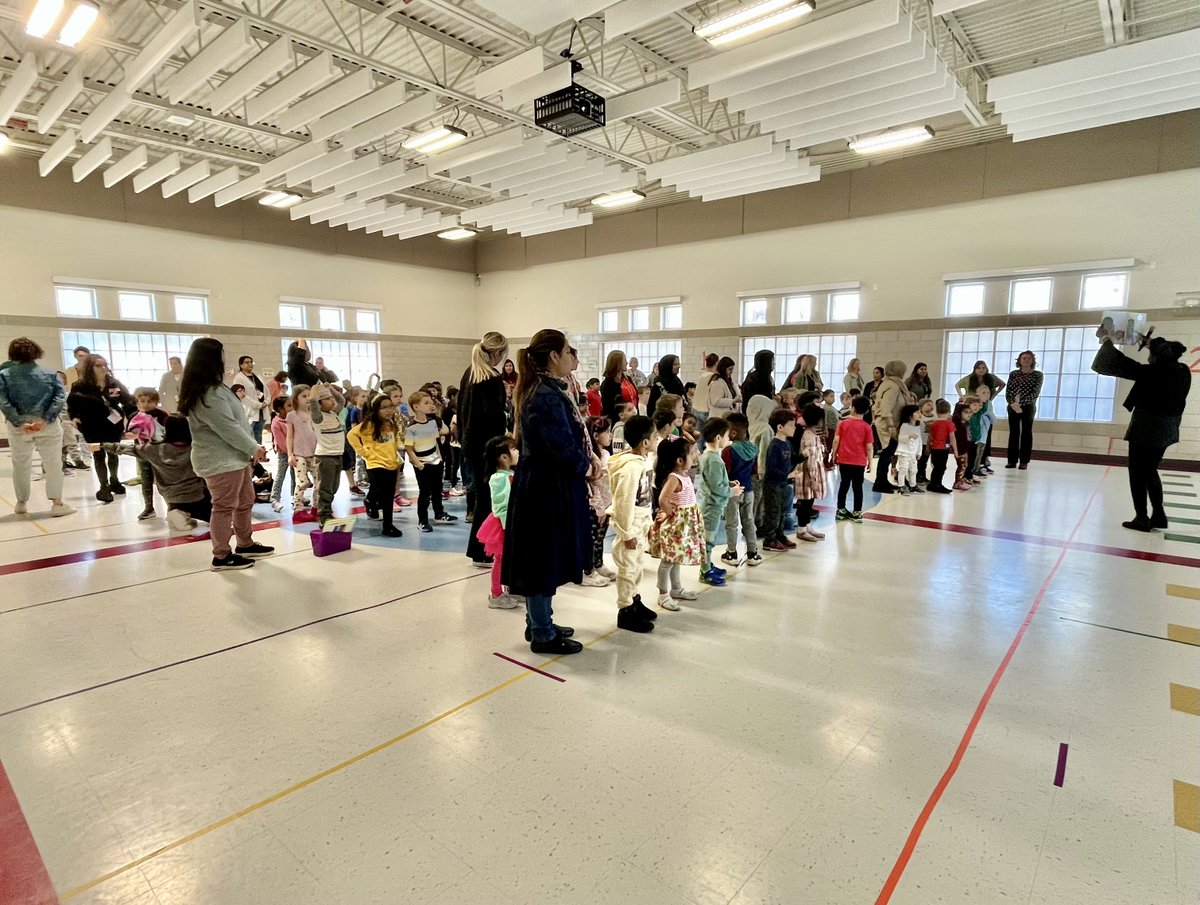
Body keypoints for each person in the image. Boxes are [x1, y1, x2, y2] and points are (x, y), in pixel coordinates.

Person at [502, 329, 588, 655]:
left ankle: (540, 620)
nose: (571, 357)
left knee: (543, 557)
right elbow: (561, 447)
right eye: (567, 351)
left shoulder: (545, 391)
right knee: (540, 560)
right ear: (554, 355)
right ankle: (542, 632)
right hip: (544, 489)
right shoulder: (545, 396)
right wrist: (587, 465)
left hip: (543, 485)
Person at [177, 338, 273, 571]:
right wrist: (253, 447)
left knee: (245, 501)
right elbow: (227, 427)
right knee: (223, 507)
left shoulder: (216, 388)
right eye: (221, 353)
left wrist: (250, 448)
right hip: (220, 461)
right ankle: (221, 555)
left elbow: (237, 424)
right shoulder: (207, 394)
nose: (224, 358)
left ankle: (245, 543)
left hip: (235, 458)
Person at [1092, 335, 1192, 532]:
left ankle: (1141, 517)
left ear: (1156, 356)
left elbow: (1114, 364)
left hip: (1146, 427)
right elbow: (1162, 356)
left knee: (1137, 473)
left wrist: (1106, 341)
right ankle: (1158, 514)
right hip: (1168, 427)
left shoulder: (1151, 372)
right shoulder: (1182, 371)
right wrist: (1150, 345)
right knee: (1151, 470)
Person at [0, 338, 74, 518]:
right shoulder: (50, 374)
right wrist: (46, 419)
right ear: (36, 352)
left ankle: (21, 503)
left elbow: (3, 401)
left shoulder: (4, 375)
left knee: (20, 464)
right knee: (53, 464)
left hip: (19, 427)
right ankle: (57, 503)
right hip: (47, 425)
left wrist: (18, 421)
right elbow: (59, 398)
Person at [459, 332, 509, 565]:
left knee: (483, 498)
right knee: (489, 500)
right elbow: (494, 417)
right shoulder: (491, 379)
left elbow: (462, 413)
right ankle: (481, 550)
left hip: (471, 444)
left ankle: (479, 549)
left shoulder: (470, 374)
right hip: (487, 445)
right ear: (498, 353)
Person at [115, 415, 212, 532]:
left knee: (181, 506)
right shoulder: (195, 447)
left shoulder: (154, 449)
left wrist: (101, 445)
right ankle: (183, 514)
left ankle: (176, 512)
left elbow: (129, 449)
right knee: (216, 514)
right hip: (196, 494)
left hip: (170, 495)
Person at [649, 436, 710, 600]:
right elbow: (662, 499)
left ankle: (676, 588)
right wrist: (670, 513)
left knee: (676, 558)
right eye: (690, 454)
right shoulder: (674, 478)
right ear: (680, 460)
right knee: (668, 561)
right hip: (676, 527)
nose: (694, 457)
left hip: (683, 526)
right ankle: (663, 594)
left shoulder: (683, 475)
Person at [67, 354, 134, 502]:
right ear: (90, 368)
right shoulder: (80, 386)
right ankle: (104, 486)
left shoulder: (113, 383)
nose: (103, 368)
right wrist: (74, 418)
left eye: (104, 365)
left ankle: (114, 480)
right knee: (98, 455)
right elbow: (72, 404)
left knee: (113, 453)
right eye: (98, 365)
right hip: (91, 426)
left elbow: (128, 401)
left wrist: (134, 420)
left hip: (113, 425)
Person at [475, 435, 522, 609]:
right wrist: (509, 528)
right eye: (514, 449)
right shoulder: (499, 478)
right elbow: (501, 506)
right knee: (501, 560)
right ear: (503, 457)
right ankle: (496, 593)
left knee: (510, 559)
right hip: (503, 526)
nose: (517, 452)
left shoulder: (510, 474)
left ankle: (511, 588)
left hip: (511, 523)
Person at [347, 393, 403, 538]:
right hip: (375, 463)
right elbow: (351, 435)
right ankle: (387, 525)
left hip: (391, 462)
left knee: (387, 494)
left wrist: (397, 448)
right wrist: (363, 452)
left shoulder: (391, 423)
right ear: (375, 410)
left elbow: (394, 439)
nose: (389, 410)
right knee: (383, 493)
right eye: (384, 408)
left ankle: (370, 501)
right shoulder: (369, 424)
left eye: (390, 406)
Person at [406, 390, 457, 533]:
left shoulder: (433, 422)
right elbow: (409, 449)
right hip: (422, 462)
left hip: (435, 460)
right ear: (416, 407)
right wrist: (418, 464)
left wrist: (439, 457)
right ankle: (423, 520)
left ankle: (439, 513)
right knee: (424, 493)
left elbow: (435, 442)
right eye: (426, 403)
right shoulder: (411, 427)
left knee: (437, 489)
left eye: (431, 402)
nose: (431, 405)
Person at [698, 416, 739, 584]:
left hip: (712, 505)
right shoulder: (713, 459)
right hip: (711, 507)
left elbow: (714, 480)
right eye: (727, 436)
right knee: (707, 540)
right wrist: (732, 491)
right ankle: (705, 571)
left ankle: (707, 565)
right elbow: (716, 488)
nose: (728, 439)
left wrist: (728, 483)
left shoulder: (711, 456)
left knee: (709, 539)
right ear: (718, 438)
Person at [719, 413, 761, 568]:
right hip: (749, 490)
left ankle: (731, 552)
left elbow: (725, 473)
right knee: (749, 521)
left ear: (733, 432)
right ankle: (753, 553)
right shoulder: (753, 448)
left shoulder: (728, 450)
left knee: (731, 523)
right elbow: (754, 472)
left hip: (733, 491)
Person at [871, 360, 913, 494]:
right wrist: (892, 427)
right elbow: (885, 409)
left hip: (892, 423)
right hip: (888, 425)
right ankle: (880, 482)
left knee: (888, 453)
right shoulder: (892, 386)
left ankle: (883, 481)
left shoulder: (893, 384)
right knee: (887, 453)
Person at [127, 388, 170, 520]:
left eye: (149, 401)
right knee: (146, 480)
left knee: (164, 482)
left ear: (156, 402)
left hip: (159, 453)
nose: (145, 404)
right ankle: (149, 507)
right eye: (142, 401)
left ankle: (172, 507)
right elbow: (131, 433)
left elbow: (167, 432)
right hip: (143, 452)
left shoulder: (163, 415)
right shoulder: (135, 416)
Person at [583, 417, 616, 586]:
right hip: (595, 504)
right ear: (595, 435)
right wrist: (599, 507)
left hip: (606, 501)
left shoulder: (606, 454)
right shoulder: (590, 457)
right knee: (592, 537)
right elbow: (593, 484)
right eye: (607, 432)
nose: (610, 436)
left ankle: (598, 563)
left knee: (601, 536)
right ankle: (587, 570)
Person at [956, 360, 1005, 470]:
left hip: (985, 406)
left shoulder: (991, 378)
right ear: (975, 369)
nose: (981, 370)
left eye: (983, 367)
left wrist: (993, 396)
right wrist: (963, 397)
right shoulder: (969, 378)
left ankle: (983, 459)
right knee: (973, 434)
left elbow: (1002, 384)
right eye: (979, 368)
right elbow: (957, 385)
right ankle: (971, 462)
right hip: (974, 407)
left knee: (985, 434)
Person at [761, 409, 798, 552]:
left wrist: (802, 457)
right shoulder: (774, 446)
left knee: (783, 511)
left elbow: (791, 460)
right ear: (780, 427)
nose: (794, 428)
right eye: (791, 425)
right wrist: (787, 475)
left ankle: (779, 535)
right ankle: (769, 539)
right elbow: (771, 468)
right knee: (773, 512)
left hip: (784, 485)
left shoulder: (788, 444)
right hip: (773, 485)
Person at [831, 397, 873, 521]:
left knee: (844, 484)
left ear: (852, 408)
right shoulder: (866, 427)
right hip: (859, 461)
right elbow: (869, 446)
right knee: (858, 487)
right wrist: (870, 462)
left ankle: (841, 509)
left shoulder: (843, 423)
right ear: (866, 411)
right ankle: (857, 512)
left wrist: (834, 454)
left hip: (844, 460)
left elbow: (836, 440)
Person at [310, 384, 347, 525]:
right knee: (325, 488)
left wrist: (331, 388)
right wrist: (315, 390)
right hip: (325, 456)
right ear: (320, 403)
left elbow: (342, 400)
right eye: (327, 399)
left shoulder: (333, 414)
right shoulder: (318, 417)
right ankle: (324, 515)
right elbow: (313, 401)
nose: (332, 401)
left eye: (332, 398)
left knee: (334, 486)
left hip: (338, 455)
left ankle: (328, 510)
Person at [792, 403, 828, 541]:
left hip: (810, 474)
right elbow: (811, 460)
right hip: (808, 474)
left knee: (809, 501)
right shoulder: (809, 436)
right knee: (805, 502)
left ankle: (807, 526)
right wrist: (813, 479)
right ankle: (801, 529)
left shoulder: (812, 434)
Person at [1005, 351, 1043, 470]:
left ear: (1033, 361)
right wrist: (1012, 403)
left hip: (1028, 407)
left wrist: (1020, 404)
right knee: (1014, 433)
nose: (1026, 360)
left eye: (1029, 358)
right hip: (1012, 406)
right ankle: (1012, 460)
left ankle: (1024, 461)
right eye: (1024, 358)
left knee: (1026, 433)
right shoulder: (1014, 374)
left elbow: (1035, 392)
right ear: (1019, 360)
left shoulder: (1037, 375)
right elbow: (1009, 390)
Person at [286, 384, 318, 519]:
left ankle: (316, 506)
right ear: (296, 398)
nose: (307, 399)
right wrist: (290, 454)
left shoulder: (315, 414)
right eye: (304, 396)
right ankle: (298, 509)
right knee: (303, 481)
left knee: (318, 481)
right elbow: (290, 436)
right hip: (299, 453)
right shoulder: (292, 415)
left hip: (315, 452)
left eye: (309, 396)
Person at [231, 356, 268, 444]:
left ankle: (259, 454)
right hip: (250, 410)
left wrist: (266, 402)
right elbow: (241, 395)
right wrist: (258, 405)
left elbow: (266, 390)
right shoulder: (239, 378)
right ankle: (251, 454)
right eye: (247, 362)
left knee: (258, 433)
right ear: (241, 365)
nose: (250, 364)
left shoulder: (257, 375)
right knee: (249, 433)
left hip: (262, 410)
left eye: (251, 362)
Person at [927, 398, 957, 493]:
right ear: (949, 412)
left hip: (934, 448)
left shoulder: (934, 424)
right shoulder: (949, 424)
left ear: (937, 411)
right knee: (941, 467)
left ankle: (933, 483)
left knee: (936, 467)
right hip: (943, 448)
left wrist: (927, 447)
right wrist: (955, 450)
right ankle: (937, 484)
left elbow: (930, 437)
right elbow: (952, 438)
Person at [599, 350, 640, 422]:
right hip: (620, 421)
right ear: (617, 363)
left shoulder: (628, 379)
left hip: (633, 418)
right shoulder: (608, 384)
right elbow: (609, 409)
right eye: (624, 360)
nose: (627, 363)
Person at [268, 396, 293, 512]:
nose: (292, 408)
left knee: (296, 475)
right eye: (289, 406)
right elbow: (281, 442)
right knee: (280, 475)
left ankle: (296, 496)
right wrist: (290, 452)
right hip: (284, 453)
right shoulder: (276, 422)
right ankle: (274, 499)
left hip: (295, 452)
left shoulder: (292, 418)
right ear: (280, 409)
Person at [892, 404, 923, 495]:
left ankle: (913, 485)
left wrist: (919, 452)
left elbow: (919, 440)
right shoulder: (904, 426)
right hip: (904, 452)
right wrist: (908, 436)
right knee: (903, 469)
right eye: (917, 412)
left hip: (913, 453)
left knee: (913, 470)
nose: (919, 414)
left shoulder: (917, 427)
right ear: (910, 415)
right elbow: (900, 438)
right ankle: (901, 485)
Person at [969, 386, 996, 480]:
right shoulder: (977, 407)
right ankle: (973, 470)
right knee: (975, 454)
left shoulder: (988, 405)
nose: (987, 395)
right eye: (983, 393)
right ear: (977, 395)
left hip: (984, 434)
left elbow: (993, 420)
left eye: (988, 393)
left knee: (980, 453)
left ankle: (977, 468)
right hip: (976, 435)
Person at [952, 400, 974, 492]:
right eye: (966, 413)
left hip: (966, 448)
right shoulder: (958, 426)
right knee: (961, 466)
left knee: (965, 465)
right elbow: (958, 440)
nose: (968, 415)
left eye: (970, 413)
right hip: (961, 449)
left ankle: (961, 479)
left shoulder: (966, 424)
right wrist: (959, 450)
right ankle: (957, 482)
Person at [692, 353, 719, 425]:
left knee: (699, 435)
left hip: (696, 409)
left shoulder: (702, 376)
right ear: (717, 363)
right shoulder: (715, 377)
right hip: (706, 411)